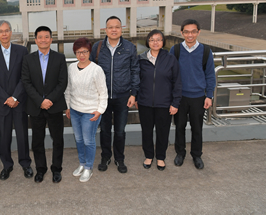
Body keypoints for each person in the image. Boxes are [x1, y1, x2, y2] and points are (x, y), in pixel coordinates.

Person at [89, 16, 139, 173]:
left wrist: (134, 93)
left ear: (121, 29)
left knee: (119, 131)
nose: (114, 30)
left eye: (117, 27)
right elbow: (90, 72)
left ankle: (119, 158)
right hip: (102, 98)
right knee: (104, 130)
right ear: (105, 30)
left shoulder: (130, 48)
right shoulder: (97, 47)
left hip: (123, 96)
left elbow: (135, 71)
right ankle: (105, 157)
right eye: (110, 27)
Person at [0, 20, 33, 181]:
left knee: (22, 136)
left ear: (11, 32)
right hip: (2, 103)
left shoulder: (22, 51)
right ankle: (7, 165)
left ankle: (26, 163)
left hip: (19, 101)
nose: (4, 34)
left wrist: (14, 97)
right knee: (4, 137)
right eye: (1, 31)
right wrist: (6, 98)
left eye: (7, 31)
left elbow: (25, 76)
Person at [21, 26, 68, 184]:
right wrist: (40, 101)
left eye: (46, 37)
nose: (43, 40)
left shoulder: (60, 58)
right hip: (36, 107)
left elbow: (62, 83)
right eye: (40, 37)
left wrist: (49, 100)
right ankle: (41, 169)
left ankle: (57, 169)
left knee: (58, 140)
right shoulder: (28, 59)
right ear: (35, 40)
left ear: (51, 39)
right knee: (37, 141)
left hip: (54, 106)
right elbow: (26, 82)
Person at [170, 19, 216, 169]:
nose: (190, 35)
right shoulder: (175, 50)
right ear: (182, 33)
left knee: (197, 128)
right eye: (187, 32)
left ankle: (196, 155)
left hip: (198, 96)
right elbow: (169, 74)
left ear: (198, 32)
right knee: (180, 126)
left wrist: (209, 95)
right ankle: (180, 153)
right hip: (180, 97)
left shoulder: (206, 51)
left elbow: (210, 75)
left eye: (193, 31)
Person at [136, 30, 182, 171]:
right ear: (148, 42)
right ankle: (149, 156)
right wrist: (137, 97)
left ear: (163, 42)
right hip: (145, 103)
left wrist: (175, 103)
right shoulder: (141, 59)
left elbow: (177, 82)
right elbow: (136, 80)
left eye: (158, 39)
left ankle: (161, 157)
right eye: (152, 39)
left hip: (164, 103)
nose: (155, 42)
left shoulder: (170, 59)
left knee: (163, 131)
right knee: (147, 131)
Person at [65, 37, 107, 182]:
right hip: (75, 110)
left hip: (90, 111)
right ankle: (82, 163)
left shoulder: (96, 70)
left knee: (88, 141)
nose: (81, 55)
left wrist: (100, 110)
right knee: (78, 139)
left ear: (89, 51)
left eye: (84, 51)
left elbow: (103, 92)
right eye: (78, 52)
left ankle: (89, 167)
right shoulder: (71, 68)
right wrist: (68, 106)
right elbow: (68, 88)